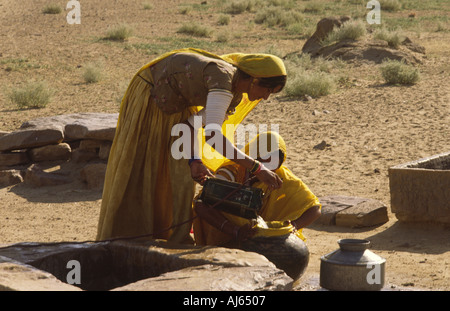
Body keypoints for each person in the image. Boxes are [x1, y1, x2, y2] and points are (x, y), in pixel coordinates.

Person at [96, 48, 287, 244]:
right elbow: (213, 136)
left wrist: (194, 160)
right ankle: (127, 238)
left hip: (177, 110)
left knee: (180, 173)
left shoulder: (234, 94)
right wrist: (257, 167)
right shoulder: (222, 79)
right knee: (144, 168)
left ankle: (173, 239)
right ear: (255, 80)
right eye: (267, 91)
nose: (265, 98)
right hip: (151, 99)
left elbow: (190, 125)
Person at [193, 131, 322, 247]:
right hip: (225, 234)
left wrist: (293, 227)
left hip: (262, 238)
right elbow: (202, 205)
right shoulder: (231, 172)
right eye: (263, 164)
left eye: (273, 165)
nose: (268, 171)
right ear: (253, 158)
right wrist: (236, 231)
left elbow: (314, 208)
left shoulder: (281, 177)